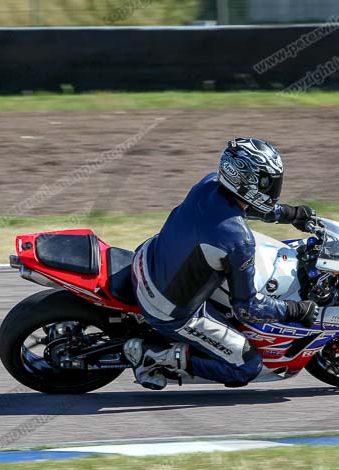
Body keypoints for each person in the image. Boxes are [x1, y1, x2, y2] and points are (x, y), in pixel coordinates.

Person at [124, 137, 319, 390]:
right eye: (266, 182)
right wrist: (295, 310)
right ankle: (153, 357)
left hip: (149, 258)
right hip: (168, 307)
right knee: (246, 367)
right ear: (245, 179)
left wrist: (290, 214)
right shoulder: (238, 240)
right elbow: (247, 308)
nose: (272, 188)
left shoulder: (208, 185)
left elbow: (245, 206)